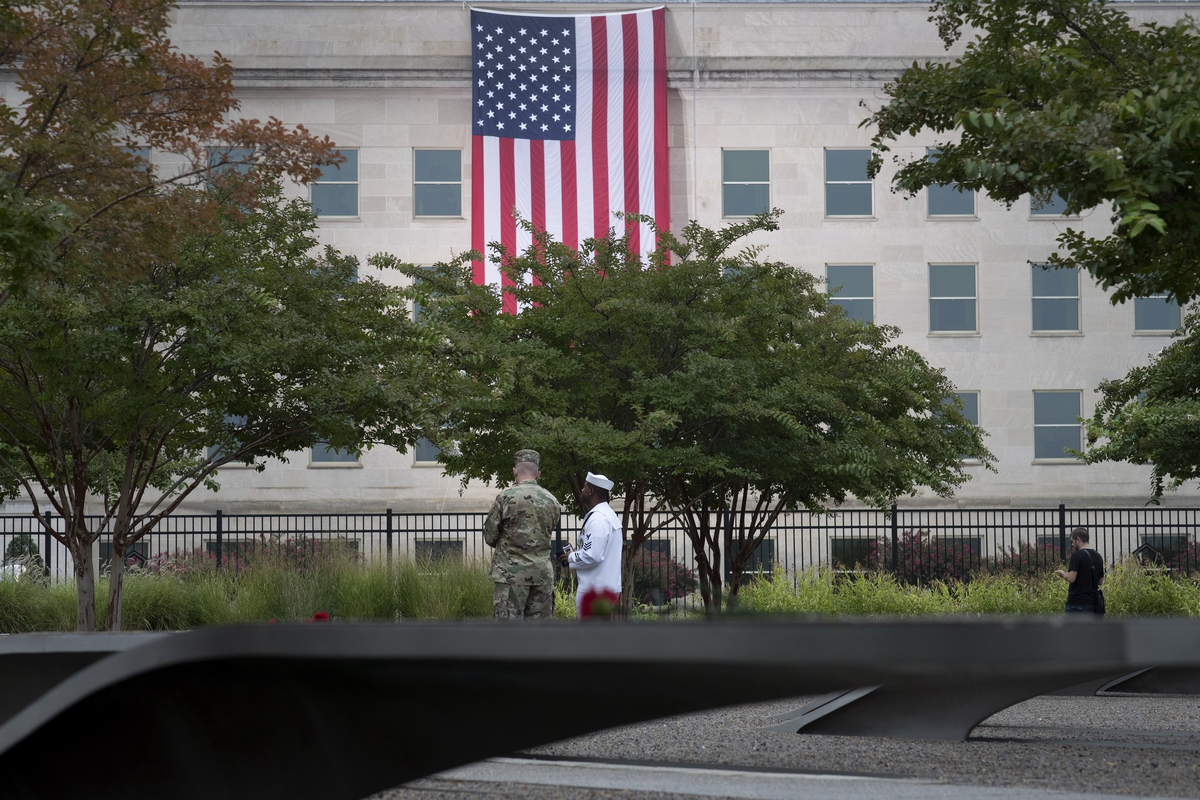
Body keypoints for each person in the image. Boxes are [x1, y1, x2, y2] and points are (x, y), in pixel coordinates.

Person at [482, 449, 561, 620]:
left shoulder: (505, 498)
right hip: (542, 576)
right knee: (539, 637)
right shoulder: (552, 501)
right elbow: (547, 532)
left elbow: (489, 536)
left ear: (515, 471)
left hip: (511, 576)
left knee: (509, 636)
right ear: (538, 474)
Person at [559, 471, 623, 617]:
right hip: (603, 588)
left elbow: (592, 556)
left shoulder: (598, 520)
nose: (582, 490)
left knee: (591, 637)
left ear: (591, 491)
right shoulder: (608, 515)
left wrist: (571, 557)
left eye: (585, 487)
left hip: (595, 590)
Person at [1055, 527, 1105, 614]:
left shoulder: (1077, 556)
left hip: (1077, 603)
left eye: (1072, 541)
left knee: (1074, 628)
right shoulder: (1098, 556)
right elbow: (1100, 581)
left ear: (1078, 539)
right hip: (1093, 603)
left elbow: (1071, 578)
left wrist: (1063, 574)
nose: (1072, 545)